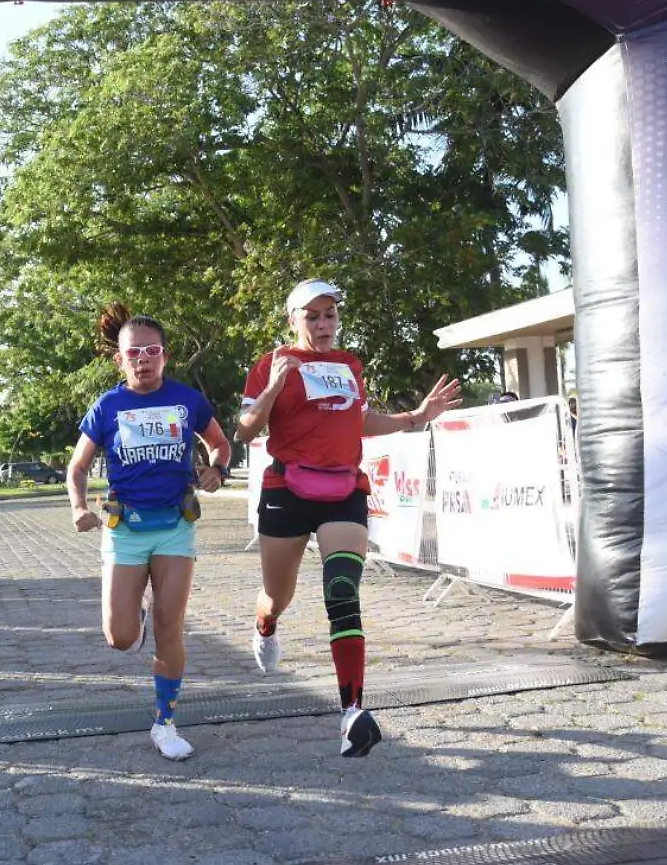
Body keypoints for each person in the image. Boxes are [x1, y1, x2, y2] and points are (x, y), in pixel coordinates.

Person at [237, 280, 462, 757]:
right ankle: (265, 625)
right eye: (313, 316)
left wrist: (414, 417)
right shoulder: (269, 363)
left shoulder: (349, 365)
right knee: (277, 596)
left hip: (343, 489)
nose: (323, 324)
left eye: (330, 315)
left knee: (341, 589)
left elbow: (356, 418)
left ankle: (351, 713)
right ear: (293, 319)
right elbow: (245, 428)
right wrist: (277, 382)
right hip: (287, 488)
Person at [67, 304, 232, 761]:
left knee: (170, 625)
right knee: (120, 638)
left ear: (165, 356)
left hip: (175, 528)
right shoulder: (108, 406)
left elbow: (220, 443)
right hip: (125, 530)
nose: (143, 358)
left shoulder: (187, 402)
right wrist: (79, 506)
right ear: (120, 359)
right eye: (134, 352)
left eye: (152, 350)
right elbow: (77, 467)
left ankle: (165, 722)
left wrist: (217, 468)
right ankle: (131, 619)